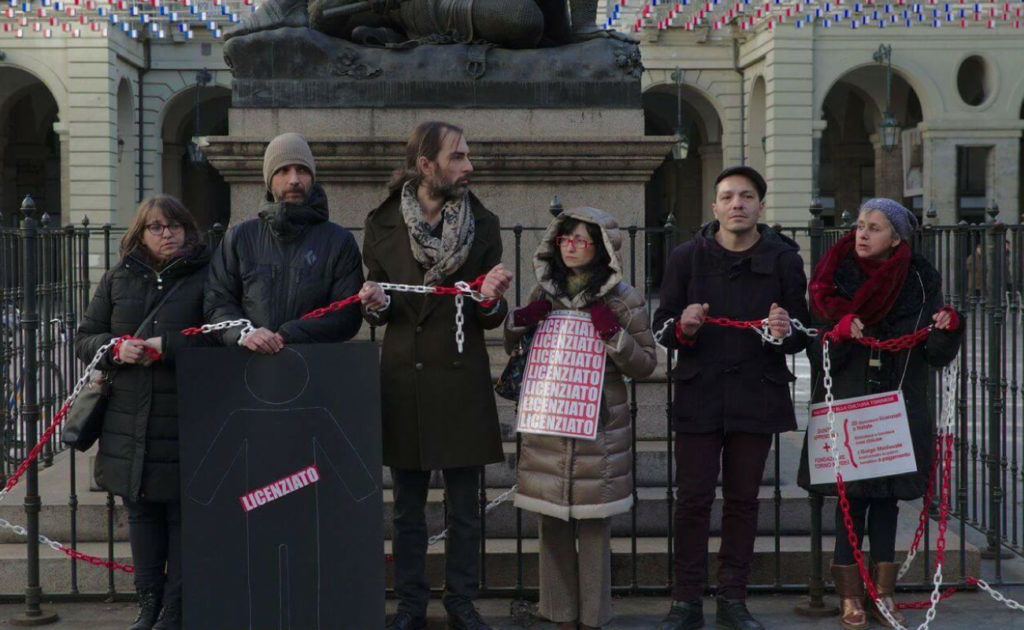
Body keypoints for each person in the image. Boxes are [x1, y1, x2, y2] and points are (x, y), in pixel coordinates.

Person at [358, 121, 512, 630]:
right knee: (406, 508)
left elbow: (490, 314)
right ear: (427, 166)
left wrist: (492, 300)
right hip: (406, 379)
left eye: (468, 156)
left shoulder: (483, 226)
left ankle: (461, 600)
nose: (469, 167)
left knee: (465, 506)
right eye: (458, 157)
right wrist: (376, 305)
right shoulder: (380, 223)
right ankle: (410, 605)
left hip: (461, 376)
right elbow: (379, 311)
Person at [652, 166, 811, 630]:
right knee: (693, 498)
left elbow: (803, 330)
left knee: (743, 500)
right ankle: (685, 601)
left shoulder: (784, 260)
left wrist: (783, 331)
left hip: (756, 394)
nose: (737, 203)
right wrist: (683, 326)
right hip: (700, 394)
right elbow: (663, 325)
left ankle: (732, 598)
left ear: (761, 206)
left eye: (746, 196)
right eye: (727, 196)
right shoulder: (686, 257)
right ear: (715, 206)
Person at [797, 198, 963, 630]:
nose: (862, 233)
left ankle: (881, 593)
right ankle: (850, 597)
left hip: (898, 405)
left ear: (896, 238)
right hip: (848, 405)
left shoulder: (921, 280)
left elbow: (933, 352)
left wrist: (948, 329)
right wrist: (836, 332)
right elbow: (812, 347)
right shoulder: (831, 279)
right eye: (859, 225)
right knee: (849, 503)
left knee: (887, 500)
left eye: (874, 227)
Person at [504, 206, 657, 630]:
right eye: (564, 239)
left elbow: (646, 365)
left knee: (593, 529)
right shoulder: (543, 292)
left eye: (580, 240)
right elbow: (512, 343)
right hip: (549, 423)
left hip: (598, 432)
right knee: (550, 523)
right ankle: (557, 613)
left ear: (602, 248)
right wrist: (519, 321)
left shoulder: (623, 298)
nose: (570, 247)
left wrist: (614, 335)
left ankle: (593, 616)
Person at [75, 196, 216, 630]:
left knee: (179, 517)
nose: (167, 233)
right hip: (127, 418)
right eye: (156, 227)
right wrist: (115, 348)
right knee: (140, 515)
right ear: (140, 234)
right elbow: (85, 338)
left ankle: (175, 607)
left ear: (189, 231)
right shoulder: (119, 279)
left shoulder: (205, 278)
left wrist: (168, 348)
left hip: (182, 415)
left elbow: (218, 336)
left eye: (174, 226)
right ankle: (148, 604)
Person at [204, 132, 363, 350]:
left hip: (315, 367)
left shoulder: (339, 242)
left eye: (302, 170)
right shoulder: (239, 238)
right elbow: (217, 303)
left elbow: (347, 316)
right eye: (283, 171)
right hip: (248, 368)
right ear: (269, 181)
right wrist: (246, 334)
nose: (294, 180)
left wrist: (290, 334)